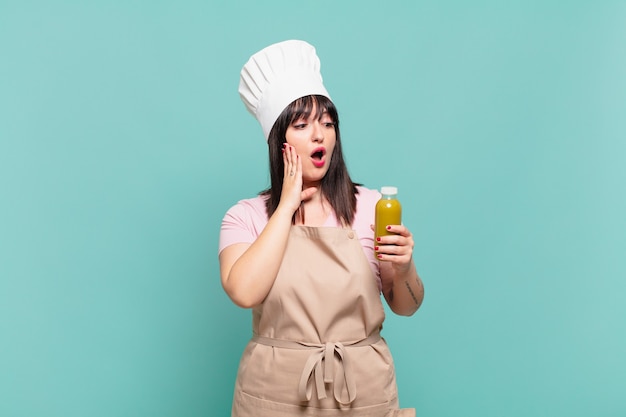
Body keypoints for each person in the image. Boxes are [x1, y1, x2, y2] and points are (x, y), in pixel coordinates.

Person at [219, 40, 424, 417]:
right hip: (274, 396)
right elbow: (244, 291)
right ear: (278, 142)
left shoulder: (371, 207)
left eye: (328, 124)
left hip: (361, 394)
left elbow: (406, 305)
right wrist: (286, 207)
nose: (320, 135)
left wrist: (406, 266)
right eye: (302, 125)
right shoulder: (245, 216)